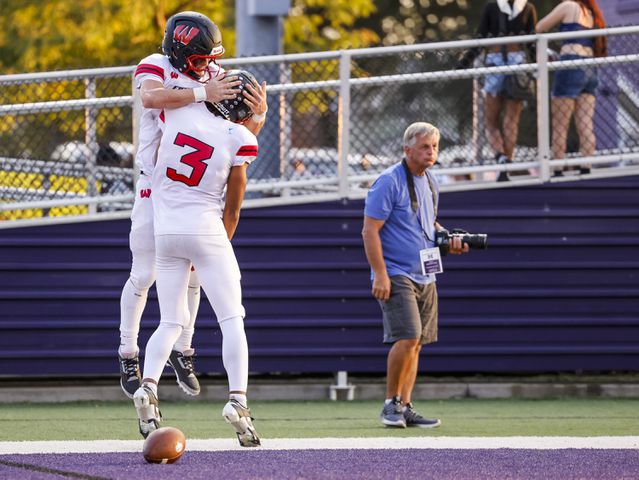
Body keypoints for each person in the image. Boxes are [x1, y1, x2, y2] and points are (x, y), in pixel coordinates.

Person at [118, 11, 266, 399]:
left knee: (198, 273)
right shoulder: (157, 66)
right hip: (156, 187)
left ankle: (184, 348)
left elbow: (235, 137)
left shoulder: (213, 73)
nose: (208, 67)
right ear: (178, 51)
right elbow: (151, 97)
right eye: (200, 60)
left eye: (211, 59)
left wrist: (258, 116)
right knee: (145, 273)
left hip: (197, 190)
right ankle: (128, 351)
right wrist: (204, 92)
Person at [132, 70, 264, 447]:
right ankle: (238, 401)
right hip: (205, 228)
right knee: (231, 318)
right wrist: (257, 118)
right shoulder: (240, 136)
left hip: (165, 230)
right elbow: (233, 210)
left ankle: (148, 386)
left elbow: (164, 101)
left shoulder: (179, 113)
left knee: (171, 320)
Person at [362, 122, 469, 428]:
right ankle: (390, 404)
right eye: (424, 146)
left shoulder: (431, 181)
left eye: (434, 146)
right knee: (407, 336)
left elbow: (429, 225)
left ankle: (405, 405)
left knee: (417, 342)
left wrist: (449, 239)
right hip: (396, 272)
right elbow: (370, 231)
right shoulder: (389, 181)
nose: (431, 152)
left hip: (425, 273)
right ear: (407, 149)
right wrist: (380, 275)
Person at [457, 0, 538, 181]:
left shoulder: (491, 6)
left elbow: (481, 38)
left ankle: (500, 156)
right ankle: (506, 166)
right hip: (518, 62)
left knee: (491, 121)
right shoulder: (528, 8)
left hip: (494, 62)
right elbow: (532, 42)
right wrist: (534, 68)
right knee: (511, 120)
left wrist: (463, 63)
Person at [536, 0, 607, 176]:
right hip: (590, 68)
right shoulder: (593, 14)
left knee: (560, 124)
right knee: (585, 123)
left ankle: (557, 169)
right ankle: (586, 167)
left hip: (570, 65)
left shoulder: (569, 6)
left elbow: (539, 27)